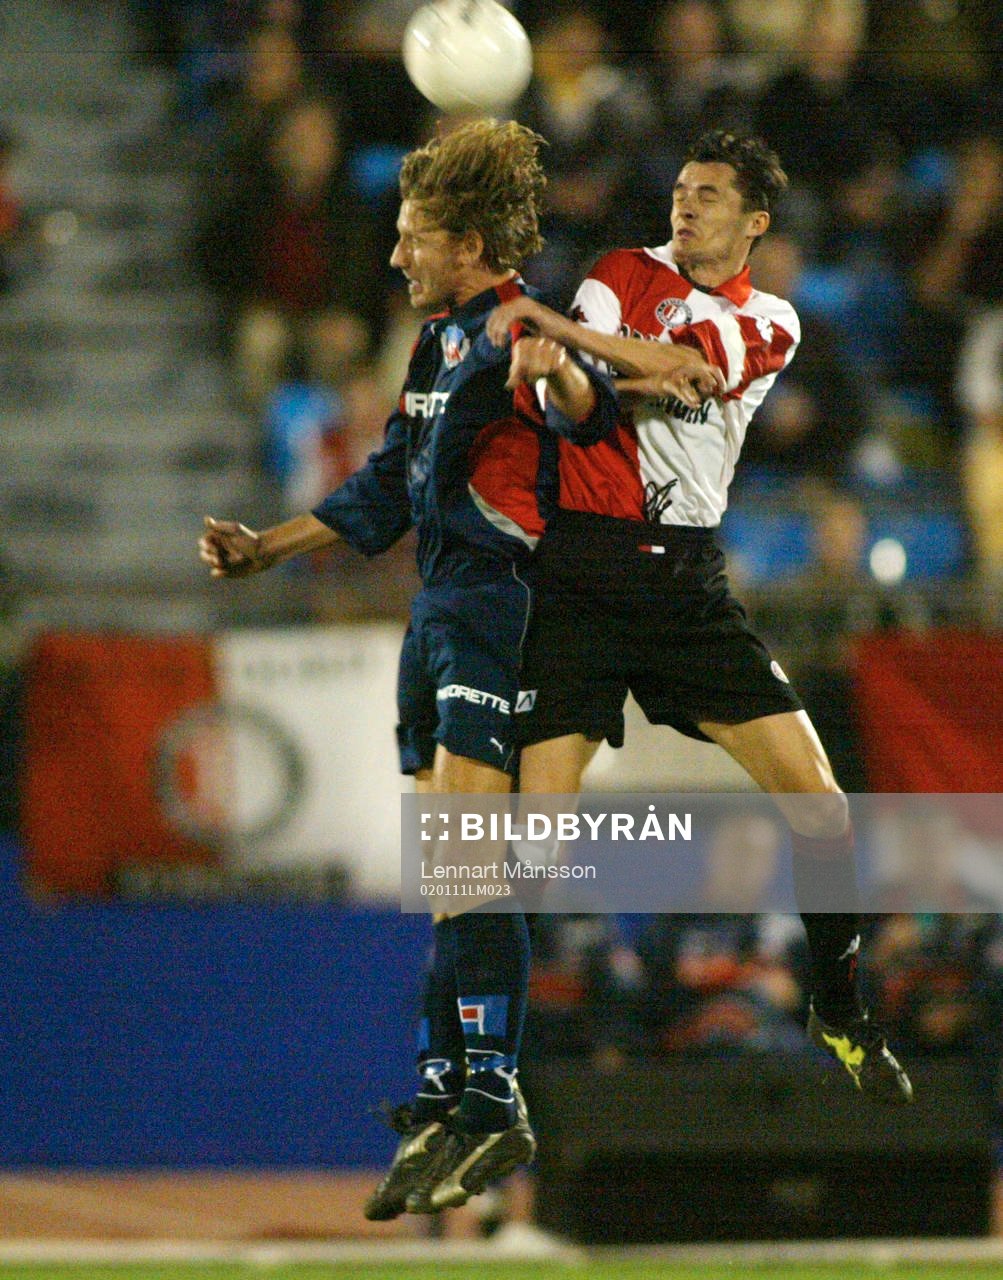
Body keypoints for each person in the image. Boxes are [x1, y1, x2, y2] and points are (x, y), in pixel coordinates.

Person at [199, 119, 705, 1218]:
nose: (394, 255)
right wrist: (263, 547)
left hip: (494, 608)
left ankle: (495, 1092)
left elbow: (580, 412)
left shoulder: (521, 334)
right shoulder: (435, 349)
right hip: (435, 615)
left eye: (411, 235)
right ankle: (444, 1089)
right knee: (447, 886)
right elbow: (384, 486)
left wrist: (567, 377)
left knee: (475, 867)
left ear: (467, 241)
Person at [486, 128, 913, 1106]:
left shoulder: (772, 321)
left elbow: (680, 371)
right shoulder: (618, 270)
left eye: (708, 193)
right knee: (534, 841)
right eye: (679, 189)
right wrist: (561, 371)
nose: (685, 204)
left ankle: (838, 1004)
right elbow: (592, 393)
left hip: (686, 587)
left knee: (820, 802)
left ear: (755, 220)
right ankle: (482, 1065)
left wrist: (549, 333)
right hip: (580, 573)